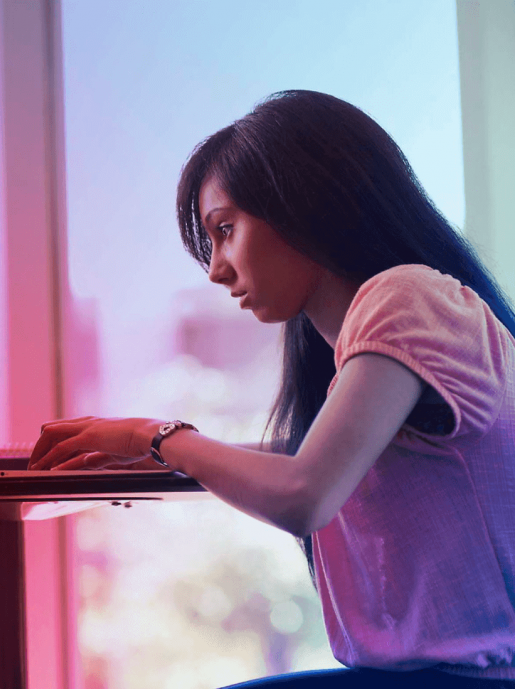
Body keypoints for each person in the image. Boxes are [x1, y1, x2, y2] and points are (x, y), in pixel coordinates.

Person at [28, 90, 515, 687]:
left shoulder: (406, 296)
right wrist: (146, 454)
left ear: (303, 204)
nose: (216, 268)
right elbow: (312, 458)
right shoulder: (396, 316)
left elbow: (304, 491)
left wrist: (153, 436)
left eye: (225, 229)